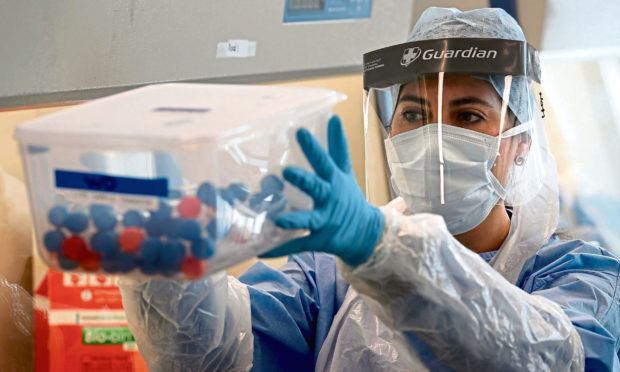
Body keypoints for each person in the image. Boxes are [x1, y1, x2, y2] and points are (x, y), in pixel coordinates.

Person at [120, 7, 620, 371]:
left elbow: (548, 360)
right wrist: (166, 268)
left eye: (467, 115)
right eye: (413, 115)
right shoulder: (330, 276)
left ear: (522, 143)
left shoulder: (580, 277)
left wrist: (379, 250)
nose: (434, 138)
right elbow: (215, 357)